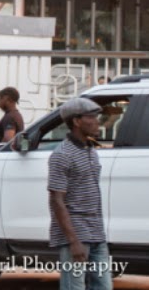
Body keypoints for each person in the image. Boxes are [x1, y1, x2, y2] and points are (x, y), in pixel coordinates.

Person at [48, 98, 112, 290]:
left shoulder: (91, 150)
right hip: (76, 234)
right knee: (74, 287)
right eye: (91, 117)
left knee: (104, 286)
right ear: (76, 121)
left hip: (96, 233)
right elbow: (56, 200)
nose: (97, 121)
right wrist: (73, 241)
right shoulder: (62, 155)